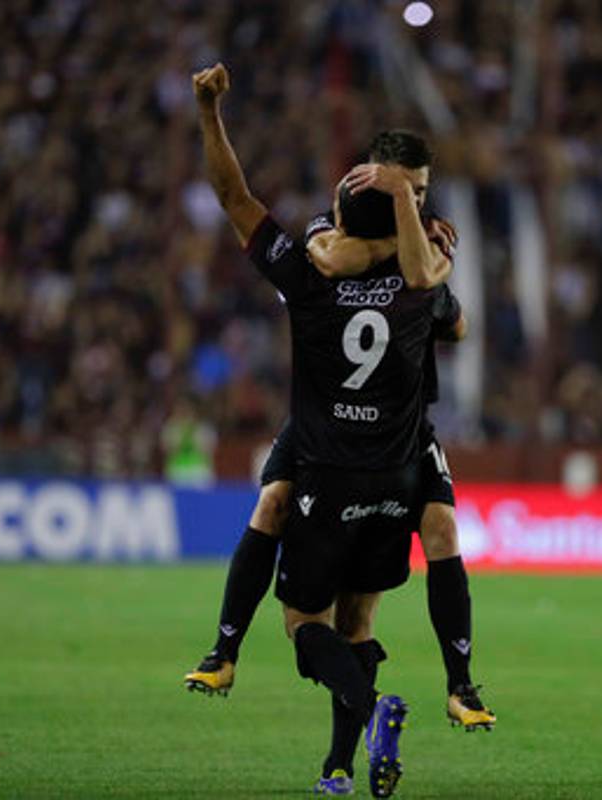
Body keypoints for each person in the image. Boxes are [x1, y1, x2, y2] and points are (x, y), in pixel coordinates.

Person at [189, 61, 459, 797]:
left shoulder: (308, 270)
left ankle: (344, 707)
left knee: (303, 621)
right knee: (359, 622)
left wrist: (210, 113)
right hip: (396, 467)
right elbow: (445, 306)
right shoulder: (423, 268)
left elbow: (232, 196)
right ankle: (338, 768)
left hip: (325, 461)